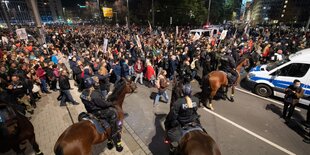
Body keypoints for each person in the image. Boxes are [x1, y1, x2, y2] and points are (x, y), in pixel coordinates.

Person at [80, 76, 123, 152]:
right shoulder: (94, 94)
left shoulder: (83, 93)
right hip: (98, 112)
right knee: (113, 113)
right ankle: (114, 133)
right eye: (95, 83)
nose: (96, 84)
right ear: (92, 85)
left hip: (90, 111)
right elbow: (104, 104)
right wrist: (111, 103)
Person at [164, 84, 201, 150]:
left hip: (182, 123)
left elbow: (173, 115)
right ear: (191, 91)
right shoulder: (196, 99)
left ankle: (172, 146)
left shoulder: (178, 102)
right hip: (194, 121)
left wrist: (169, 123)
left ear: (182, 92)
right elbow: (195, 110)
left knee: (169, 132)